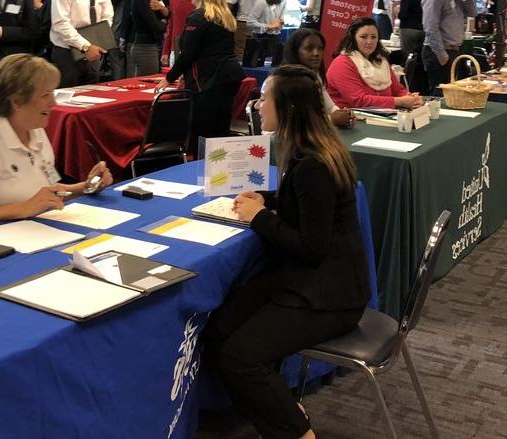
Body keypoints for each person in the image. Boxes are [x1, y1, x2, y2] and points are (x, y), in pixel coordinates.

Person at [204, 65, 371, 439]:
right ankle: (277, 409)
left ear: (289, 108)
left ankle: (297, 431)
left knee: (239, 358)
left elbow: (312, 248)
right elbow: (306, 203)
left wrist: (260, 216)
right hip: (310, 278)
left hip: (329, 293)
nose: (259, 104)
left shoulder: (313, 163)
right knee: (219, 328)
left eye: (266, 98)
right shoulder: (310, 150)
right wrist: (266, 199)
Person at [0, 54, 112, 233]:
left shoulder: (34, 129)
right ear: (17, 101)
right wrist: (23, 209)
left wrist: (86, 187)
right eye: (45, 95)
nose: (53, 102)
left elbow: (47, 193)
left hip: (19, 232)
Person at [156, 0, 244, 153]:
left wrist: (169, 78)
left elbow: (188, 54)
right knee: (220, 134)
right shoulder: (224, 15)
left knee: (203, 137)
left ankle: (201, 171)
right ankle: (218, 173)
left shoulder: (199, 16)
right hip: (229, 77)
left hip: (208, 81)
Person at [326, 17, 422, 110]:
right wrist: (400, 101)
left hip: (383, 115)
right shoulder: (342, 63)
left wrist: (411, 98)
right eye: (364, 37)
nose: (369, 41)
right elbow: (358, 100)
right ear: (353, 38)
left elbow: (398, 90)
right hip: (350, 119)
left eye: (373, 37)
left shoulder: (381, 61)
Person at [279, 28, 355, 128]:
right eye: (309, 48)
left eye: (320, 48)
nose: (316, 53)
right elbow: (295, 122)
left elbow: (330, 107)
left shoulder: (315, 75)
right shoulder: (283, 81)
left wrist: (343, 115)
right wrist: (331, 119)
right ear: (295, 51)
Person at [50, 0, 115, 87]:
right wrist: (85, 46)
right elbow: (60, 24)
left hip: (94, 50)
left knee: (93, 94)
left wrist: (99, 36)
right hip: (68, 53)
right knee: (68, 95)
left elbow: (108, 16)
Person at [421, 0, 475, 90]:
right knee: (441, 94)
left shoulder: (458, 2)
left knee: (451, 94)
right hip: (438, 51)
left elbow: (472, 13)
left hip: (453, 50)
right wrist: (442, 55)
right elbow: (430, 27)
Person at [125, 0, 168, 76]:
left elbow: (167, 16)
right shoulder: (141, 2)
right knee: (148, 82)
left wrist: (162, 9)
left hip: (152, 45)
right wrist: (169, 25)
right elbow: (156, 25)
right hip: (145, 48)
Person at [245, 0, 285, 67]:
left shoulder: (283, 2)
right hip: (260, 37)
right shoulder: (261, 2)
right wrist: (269, 26)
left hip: (274, 37)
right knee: (255, 65)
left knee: (273, 65)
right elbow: (250, 22)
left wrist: (280, 23)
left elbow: (280, 20)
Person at [161, 0, 195, 65]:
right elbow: (171, 26)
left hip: (195, 49)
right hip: (176, 49)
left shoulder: (202, 2)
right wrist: (165, 51)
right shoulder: (173, 1)